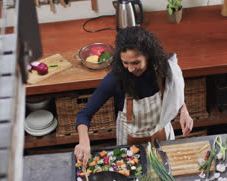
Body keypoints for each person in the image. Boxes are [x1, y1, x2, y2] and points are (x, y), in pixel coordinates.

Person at [74, 26, 194, 165]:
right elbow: (84, 115)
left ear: (148, 55)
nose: (130, 69)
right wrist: (83, 142)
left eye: (136, 62)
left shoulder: (164, 69)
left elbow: (176, 89)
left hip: (163, 137)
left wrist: (183, 110)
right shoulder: (115, 79)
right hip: (129, 146)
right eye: (125, 63)